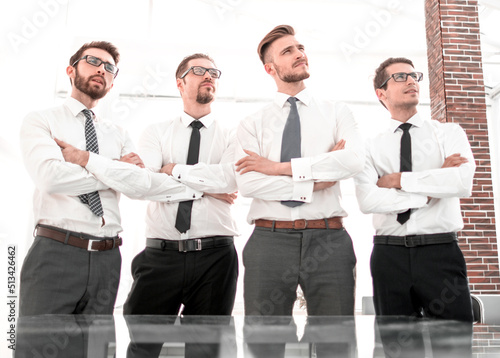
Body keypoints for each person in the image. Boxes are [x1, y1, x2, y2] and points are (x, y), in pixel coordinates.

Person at [57, 53, 239, 357]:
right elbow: (144, 187)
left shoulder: (234, 135)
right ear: (180, 83)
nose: (209, 75)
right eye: (199, 70)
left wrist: (173, 169)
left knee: (206, 350)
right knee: (143, 347)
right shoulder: (155, 132)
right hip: (160, 256)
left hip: (216, 257)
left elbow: (231, 180)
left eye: (214, 72)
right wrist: (208, 187)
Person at [235, 24, 364, 319]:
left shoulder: (337, 112)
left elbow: (354, 161)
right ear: (270, 68)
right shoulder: (251, 123)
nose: (299, 54)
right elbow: (250, 185)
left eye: (300, 48)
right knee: (264, 340)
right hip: (269, 239)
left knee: (336, 340)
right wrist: (315, 181)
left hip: (329, 240)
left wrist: (278, 168)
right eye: (288, 51)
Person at [18, 41, 135, 316]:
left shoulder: (118, 132)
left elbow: (137, 183)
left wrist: (92, 164)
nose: (101, 70)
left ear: (112, 83)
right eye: (93, 61)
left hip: (108, 258)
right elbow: (50, 177)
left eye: (109, 68)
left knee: (96, 350)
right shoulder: (41, 120)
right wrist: (115, 170)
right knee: (39, 347)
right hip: (57, 251)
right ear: (71, 70)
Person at [354, 57, 475, 322]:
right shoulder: (368, 146)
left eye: (413, 76)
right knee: (397, 345)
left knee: (453, 344)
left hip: (440, 252)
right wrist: (433, 185)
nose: (411, 80)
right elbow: (368, 200)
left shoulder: (449, 133)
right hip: (389, 255)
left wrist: (398, 180)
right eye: (400, 77)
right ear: (381, 93)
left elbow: (461, 183)